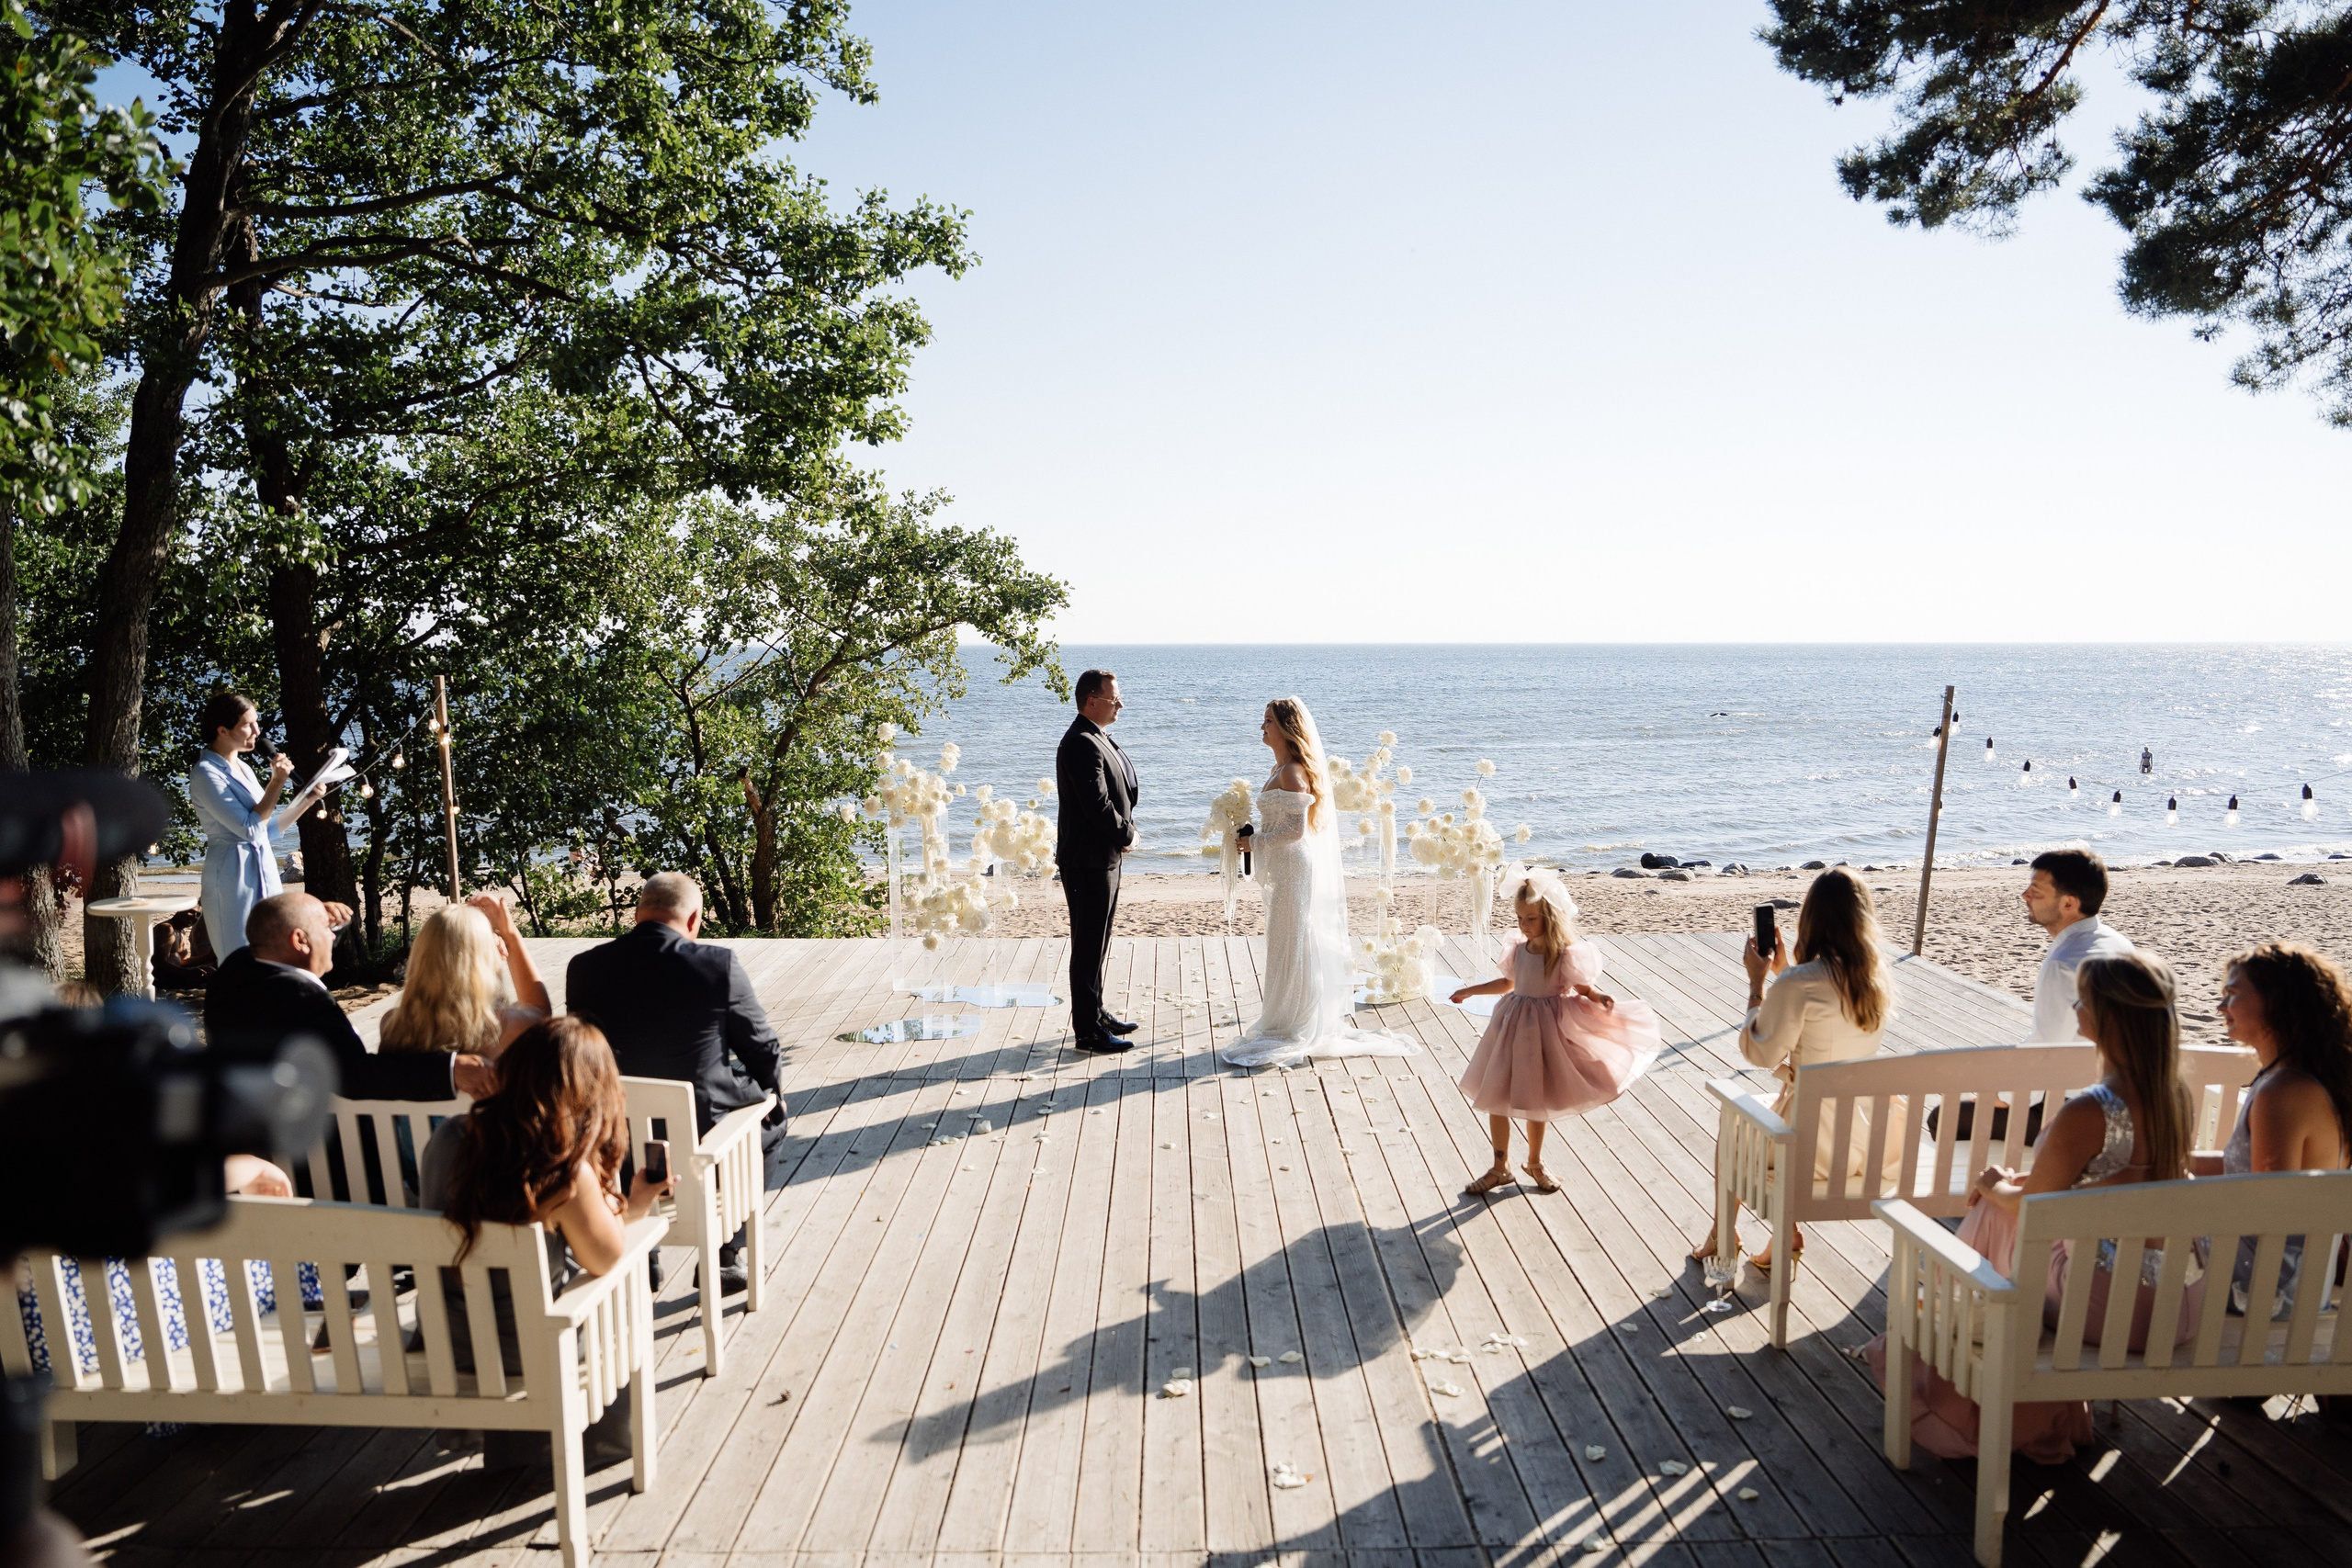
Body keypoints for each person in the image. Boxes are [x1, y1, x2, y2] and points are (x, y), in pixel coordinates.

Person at [1866, 951, 2205, 1461]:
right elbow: (2105, 1184)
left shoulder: (2092, 1109)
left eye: (2084, 1000)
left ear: (2109, 1018)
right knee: (2009, 1207)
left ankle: (1959, 1398)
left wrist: (1992, 1183)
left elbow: (2031, 1208)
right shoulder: (2174, 1093)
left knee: (1991, 1212)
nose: (2075, 1006)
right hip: (2179, 1307)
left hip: (2109, 1310)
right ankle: (2033, 1408)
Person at [420, 1016, 673, 1468]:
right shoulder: (562, 1171)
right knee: (611, 1299)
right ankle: (605, 1445)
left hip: (450, 1342)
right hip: (525, 1352)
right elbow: (606, 1258)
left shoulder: (448, 1138)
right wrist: (627, 1203)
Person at [565, 872, 784, 1292]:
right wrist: (773, 1094)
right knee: (770, 1122)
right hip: (703, 1141)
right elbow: (762, 1047)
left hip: (614, 1141)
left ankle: (639, 1245)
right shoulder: (716, 966)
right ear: (694, 919)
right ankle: (724, 1253)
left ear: (637, 914)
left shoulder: (585, 968)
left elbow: (582, 1057)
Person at [1689, 866, 1897, 1269]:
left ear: (1811, 918)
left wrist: (1757, 984)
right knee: (1780, 1114)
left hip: (1813, 1148)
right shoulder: (1875, 979)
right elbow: (1826, 1012)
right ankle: (1786, 1234)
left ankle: (1723, 1234)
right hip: (1867, 1141)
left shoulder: (1801, 984)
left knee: (1734, 1124)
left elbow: (1760, 1054)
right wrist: (1787, 974)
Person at [1217, 698, 1418, 1069]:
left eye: (1268, 722)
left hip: (1294, 865)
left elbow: (1295, 830)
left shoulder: (1292, 771)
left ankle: (1296, 1021)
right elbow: (1281, 823)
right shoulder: (1278, 767)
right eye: (1263, 721)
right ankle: (1282, 1016)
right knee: (1283, 939)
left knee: (1293, 939)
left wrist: (1255, 843)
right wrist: (1251, 835)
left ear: (1287, 728)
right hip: (1283, 866)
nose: (1262, 727)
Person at [1450, 865, 1661, 1195]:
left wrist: (1598, 995)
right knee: (1495, 1096)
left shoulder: (1563, 954)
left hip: (1544, 1032)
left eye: (1530, 919)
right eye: (1519, 918)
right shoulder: (1518, 949)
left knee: (1536, 1099)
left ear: (1548, 916)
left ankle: (1534, 1162)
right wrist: (1471, 990)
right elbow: (1508, 983)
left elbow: (1582, 988)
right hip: (1511, 1026)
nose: (1523, 925)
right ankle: (1499, 1166)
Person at [207, 891, 493, 1102]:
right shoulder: (304, 999)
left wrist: (324, 918)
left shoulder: (234, 972)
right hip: (324, 1152)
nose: (333, 937)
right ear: (299, 940)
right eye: (325, 929)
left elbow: (297, 948)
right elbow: (356, 1077)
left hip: (256, 1127)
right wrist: (450, 1067)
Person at [2191, 942, 2352, 1318]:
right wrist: (2168, 1163)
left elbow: (2265, 1207)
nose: (2219, 1008)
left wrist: (2174, 1189)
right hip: (2298, 1280)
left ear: (2277, 1002)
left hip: (2265, 1292)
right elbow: (2256, 1173)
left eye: (2232, 995)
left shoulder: (2284, 1091)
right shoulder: (2304, 1077)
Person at [187, 692, 329, 963]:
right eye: (248, 724)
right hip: (232, 873)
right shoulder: (206, 773)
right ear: (223, 730)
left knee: (272, 951)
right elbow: (249, 829)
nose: (257, 731)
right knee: (240, 956)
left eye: (257, 723)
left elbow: (266, 830)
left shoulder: (243, 767)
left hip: (263, 867)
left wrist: (307, 800)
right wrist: (275, 783)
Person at [1055, 669, 1140, 1052]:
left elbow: (1122, 791)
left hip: (1104, 858)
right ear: (1092, 700)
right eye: (1114, 698)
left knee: (1099, 941)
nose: (1120, 704)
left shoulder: (1098, 737)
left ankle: (1097, 1012)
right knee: (1087, 945)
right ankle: (1087, 1032)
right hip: (1087, 861)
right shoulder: (1079, 743)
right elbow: (1097, 805)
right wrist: (1127, 835)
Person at [379, 894, 550, 1058]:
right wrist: (510, 936)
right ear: (482, 965)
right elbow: (541, 1014)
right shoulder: (504, 1027)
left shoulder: (394, 1026)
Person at [2023, 849, 2134, 1043]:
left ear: (2068, 904)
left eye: (2036, 891)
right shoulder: (2120, 943)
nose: (2025, 895)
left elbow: (2045, 1049)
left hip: (2081, 1068)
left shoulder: (2062, 965)